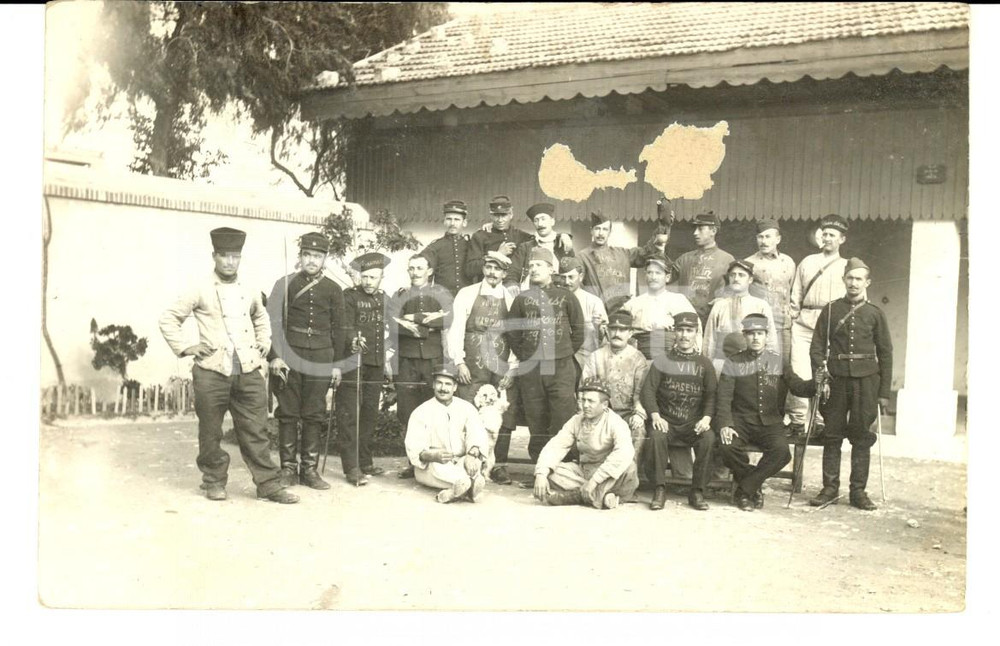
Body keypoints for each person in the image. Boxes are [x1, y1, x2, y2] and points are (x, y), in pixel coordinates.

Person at [159, 227, 298, 504]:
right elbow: (168, 319)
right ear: (214, 256)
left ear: (240, 258)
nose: (229, 262)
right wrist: (187, 347)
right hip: (212, 372)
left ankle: (268, 484)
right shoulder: (199, 288)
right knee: (211, 431)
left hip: (247, 371)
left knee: (256, 429)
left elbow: (261, 318)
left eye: (235, 256)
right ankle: (213, 481)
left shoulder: (249, 289)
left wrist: (262, 343)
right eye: (224, 256)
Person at [808, 258, 894, 511]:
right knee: (832, 434)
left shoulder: (875, 313)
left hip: (867, 381)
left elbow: (886, 352)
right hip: (835, 380)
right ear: (844, 280)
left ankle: (858, 492)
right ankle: (829, 489)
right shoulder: (832, 310)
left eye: (859, 279)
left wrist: (884, 393)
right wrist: (820, 375)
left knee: (861, 436)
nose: (854, 283)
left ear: (867, 282)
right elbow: (816, 347)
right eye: (850, 278)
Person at [265, 231, 345, 490]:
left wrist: (337, 365)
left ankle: (309, 470)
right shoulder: (284, 284)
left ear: (325, 259)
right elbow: (272, 324)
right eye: (308, 255)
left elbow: (339, 328)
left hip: (322, 355)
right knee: (288, 412)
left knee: (314, 413)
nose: (312, 260)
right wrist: (275, 356)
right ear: (300, 256)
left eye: (318, 256)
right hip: (289, 355)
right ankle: (288, 468)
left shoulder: (334, 289)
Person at [716, 314, 817, 511]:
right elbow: (724, 397)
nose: (755, 338)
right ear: (745, 336)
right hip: (740, 421)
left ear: (766, 336)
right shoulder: (734, 362)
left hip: (770, 423)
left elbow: (798, 387)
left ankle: (745, 489)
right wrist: (725, 424)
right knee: (727, 447)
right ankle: (754, 486)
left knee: (781, 453)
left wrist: (816, 383)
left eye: (760, 333)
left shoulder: (778, 361)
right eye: (751, 334)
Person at [504, 246, 585, 462]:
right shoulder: (522, 299)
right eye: (530, 265)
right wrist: (526, 354)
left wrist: (563, 352)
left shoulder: (566, 296)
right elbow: (512, 331)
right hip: (532, 368)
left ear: (551, 269)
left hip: (561, 367)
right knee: (536, 416)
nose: (533, 269)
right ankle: (539, 467)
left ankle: (564, 466)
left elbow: (579, 332)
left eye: (538, 265)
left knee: (562, 415)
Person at [447, 250, 517, 484]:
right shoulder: (467, 294)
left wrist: (512, 368)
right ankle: (464, 461)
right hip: (473, 362)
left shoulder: (510, 298)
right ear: (483, 269)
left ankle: (498, 465)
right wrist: (459, 361)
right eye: (488, 267)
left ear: (504, 273)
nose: (492, 272)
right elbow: (456, 328)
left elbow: (515, 335)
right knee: (467, 408)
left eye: (497, 269)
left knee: (501, 412)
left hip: (499, 362)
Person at [641, 311, 718, 511]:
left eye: (689, 330)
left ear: (696, 333)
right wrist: (656, 415)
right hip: (667, 421)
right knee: (656, 436)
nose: (684, 335)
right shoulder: (662, 360)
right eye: (680, 330)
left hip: (693, 424)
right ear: (674, 332)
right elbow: (648, 391)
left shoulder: (705, 364)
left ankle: (697, 491)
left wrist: (707, 418)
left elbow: (711, 395)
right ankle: (659, 489)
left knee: (708, 438)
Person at [532, 376, 639, 510]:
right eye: (583, 400)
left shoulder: (616, 423)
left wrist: (595, 481)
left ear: (604, 405)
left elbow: (623, 453)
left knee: (629, 467)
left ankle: (579, 496)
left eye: (591, 401)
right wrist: (541, 474)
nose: (585, 405)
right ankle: (602, 497)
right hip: (584, 471)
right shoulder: (576, 420)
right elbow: (557, 445)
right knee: (552, 474)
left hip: (608, 475)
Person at [787, 213, 849, 432]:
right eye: (824, 234)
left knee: (825, 374)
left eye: (832, 235)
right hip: (804, 325)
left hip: (831, 327)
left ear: (842, 239)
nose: (827, 238)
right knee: (800, 371)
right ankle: (798, 421)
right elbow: (795, 296)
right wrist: (793, 318)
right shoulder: (808, 262)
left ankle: (821, 422)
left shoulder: (847, 267)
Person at [338, 251, 392, 486]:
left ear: (382, 277)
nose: (369, 282)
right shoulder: (348, 297)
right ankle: (351, 467)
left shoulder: (385, 298)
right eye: (365, 277)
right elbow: (345, 325)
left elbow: (392, 326)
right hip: (353, 362)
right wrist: (352, 340)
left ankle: (365, 460)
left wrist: (389, 356)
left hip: (376, 363)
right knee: (351, 413)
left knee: (370, 412)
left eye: (374, 277)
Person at [405, 365, 491, 504]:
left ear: (455, 387)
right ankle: (469, 484)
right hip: (433, 466)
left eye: (448, 384)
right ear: (433, 385)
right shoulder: (421, 412)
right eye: (439, 383)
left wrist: (472, 454)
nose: (443, 388)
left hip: (461, 461)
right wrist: (431, 455)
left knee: (473, 461)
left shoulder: (467, 408)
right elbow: (414, 448)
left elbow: (477, 433)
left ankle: (456, 490)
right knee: (437, 467)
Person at [388, 254, 452, 432]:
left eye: (419, 268)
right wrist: (427, 328)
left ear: (429, 271)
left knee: (435, 407)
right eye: (411, 268)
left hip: (434, 360)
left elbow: (447, 319)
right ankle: (413, 457)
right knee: (407, 410)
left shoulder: (441, 294)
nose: (415, 273)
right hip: (406, 360)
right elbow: (394, 324)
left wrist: (413, 318)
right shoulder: (400, 295)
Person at [581, 310, 648, 471]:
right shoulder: (596, 357)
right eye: (613, 329)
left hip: (627, 413)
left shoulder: (638, 358)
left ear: (630, 333)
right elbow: (585, 388)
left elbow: (641, 392)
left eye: (623, 329)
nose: (617, 333)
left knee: (639, 430)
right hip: (602, 413)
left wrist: (638, 414)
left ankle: (629, 476)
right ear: (607, 330)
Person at [576, 205, 667, 314]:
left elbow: (647, 252)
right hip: (596, 313)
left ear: (609, 232)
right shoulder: (582, 256)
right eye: (597, 229)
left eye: (605, 229)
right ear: (591, 231)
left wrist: (663, 227)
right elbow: (573, 283)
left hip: (621, 314)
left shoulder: (623, 254)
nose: (601, 233)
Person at [620, 254, 700, 362]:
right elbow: (620, 330)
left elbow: (696, 330)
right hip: (640, 359)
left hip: (673, 359)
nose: (653, 277)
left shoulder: (678, 300)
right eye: (649, 272)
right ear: (645, 275)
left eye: (658, 273)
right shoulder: (633, 304)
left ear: (667, 277)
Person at [703, 259, 777, 374]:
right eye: (732, 275)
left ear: (750, 280)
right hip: (722, 363)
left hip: (751, 365)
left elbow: (771, 339)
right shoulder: (719, 305)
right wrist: (708, 366)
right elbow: (709, 339)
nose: (736, 278)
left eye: (741, 275)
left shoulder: (761, 305)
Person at [745, 220, 796, 365]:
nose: (763, 241)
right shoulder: (749, 263)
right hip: (759, 326)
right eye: (760, 237)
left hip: (783, 325)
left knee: (783, 367)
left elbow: (790, 290)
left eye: (768, 237)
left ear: (778, 239)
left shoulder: (788, 262)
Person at [675, 211, 736, 324]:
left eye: (700, 229)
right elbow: (665, 277)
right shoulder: (685, 259)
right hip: (685, 321)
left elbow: (735, 292)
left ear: (713, 231)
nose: (695, 233)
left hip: (713, 320)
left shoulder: (727, 260)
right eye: (695, 229)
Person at [465, 195, 535, 283]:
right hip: (489, 288)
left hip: (514, 288)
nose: (500, 220)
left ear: (511, 215)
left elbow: (540, 239)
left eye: (504, 215)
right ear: (491, 216)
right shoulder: (480, 236)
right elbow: (470, 269)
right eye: (496, 215)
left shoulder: (521, 236)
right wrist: (497, 255)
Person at [506, 202, 576, 291]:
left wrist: (565, 236)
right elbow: (512, 271)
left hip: (558, 292)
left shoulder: (562, 244)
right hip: (530, 292)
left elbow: (573, 270)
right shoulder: (525, 247)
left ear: (552, 221)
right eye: (536, 220)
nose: (540, 224)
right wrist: (512, 284)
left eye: (543, 219)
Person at [559, 256, 608, 382]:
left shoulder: (593, 301)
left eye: (571, 277)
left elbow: (604, 340)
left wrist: (598, 328)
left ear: (580, 277)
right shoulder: (554, 300)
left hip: (585, 360)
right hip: (560, 360)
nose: (566, 282)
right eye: (563, 277)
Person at [421, 200, 473, 296]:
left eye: (457, 220)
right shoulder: (435, 247)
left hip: (468, 298)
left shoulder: (472, 245)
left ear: (464, 222)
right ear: (444, 221)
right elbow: (423, 273)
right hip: (442, 299)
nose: (452, 223)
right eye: (449, 219)